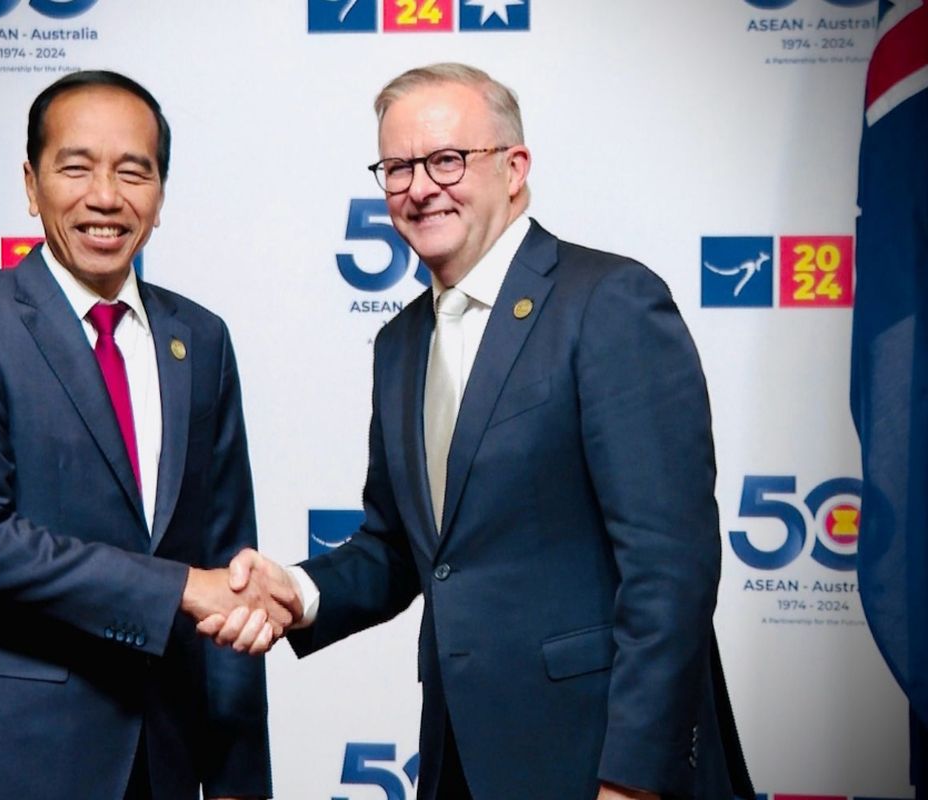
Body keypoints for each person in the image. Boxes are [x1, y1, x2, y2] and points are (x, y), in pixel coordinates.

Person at [208, 63, 755, 800]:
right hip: (460, 758)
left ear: (515, 168)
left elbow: (671, 572)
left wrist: (633, 777)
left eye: (446, 160)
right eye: (397, 167)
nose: (419, 187)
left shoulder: (610, 303)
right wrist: (297, 591)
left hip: (599, 758)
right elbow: (401, 549)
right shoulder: (400, 342)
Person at [0, 70, 294, 800]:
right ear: (31, 184)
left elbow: (228, 566)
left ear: (160, 195)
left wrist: (242, 775)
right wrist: (180, 589)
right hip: (13, 756)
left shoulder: (200, 340)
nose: (106, 197)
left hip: (169, 756)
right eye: (76, 167)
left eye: (133, 172)